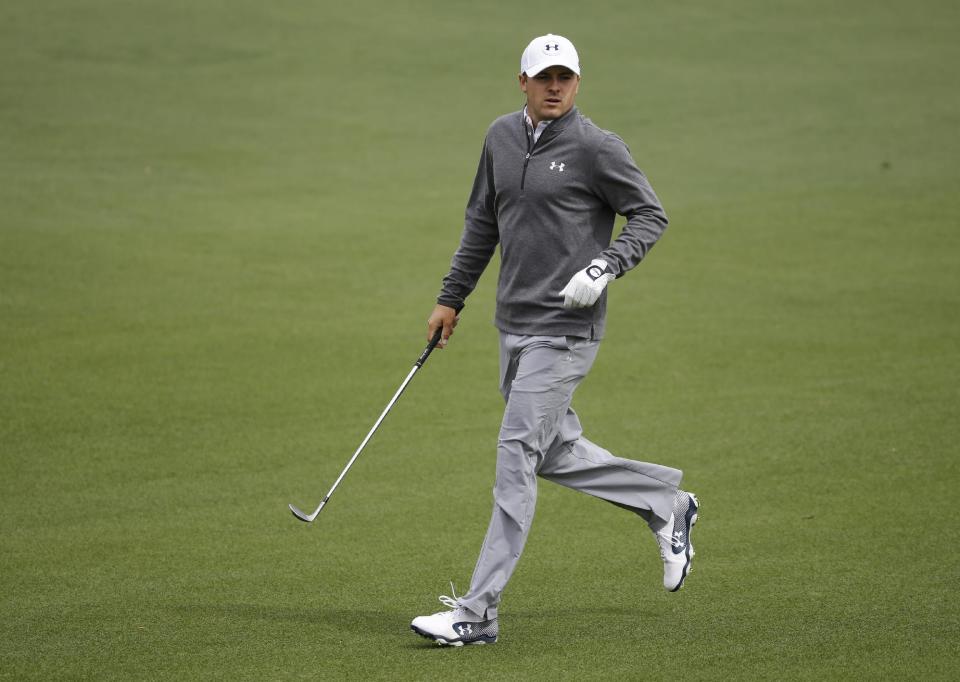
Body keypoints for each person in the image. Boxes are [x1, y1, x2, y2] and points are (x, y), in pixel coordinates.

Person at [410, 33, 699, 647]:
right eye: (544, 77)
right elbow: (482, 223)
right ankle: (664, 502)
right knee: (554, 451)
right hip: (512, 324)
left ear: (577, 83)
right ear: (522, 82)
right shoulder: (500, 137)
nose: (554, 87)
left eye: (565, 77)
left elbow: (649, 214)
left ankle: (477, 612)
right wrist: (450, 297)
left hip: (566, 332)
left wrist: (605, 267)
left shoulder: (597, 147)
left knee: (515, 455)